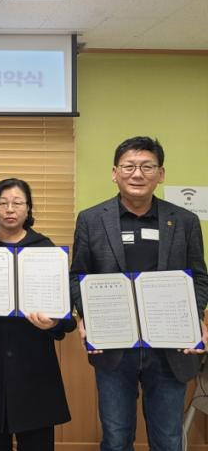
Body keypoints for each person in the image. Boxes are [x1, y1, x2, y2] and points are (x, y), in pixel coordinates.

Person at [70, 136, 208, 451]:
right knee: (116, 437)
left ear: (160, 174)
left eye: (147, 166)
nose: (137, 174)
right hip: (114, 344)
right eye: (129, 166)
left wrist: (195, 316)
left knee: (168, 439)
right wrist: (87, 315)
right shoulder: (91, 220)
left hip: (170, 344)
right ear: (114, 172)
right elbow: (77, 275)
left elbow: (199, 276)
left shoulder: (184, 221)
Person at [0, 178, 74, 451]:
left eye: (17, 203)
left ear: (28, 208)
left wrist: (54, 322)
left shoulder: (44, 247)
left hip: (33, 357)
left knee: (37, 437)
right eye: (3, 203)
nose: (10, 209)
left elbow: (65, 305)